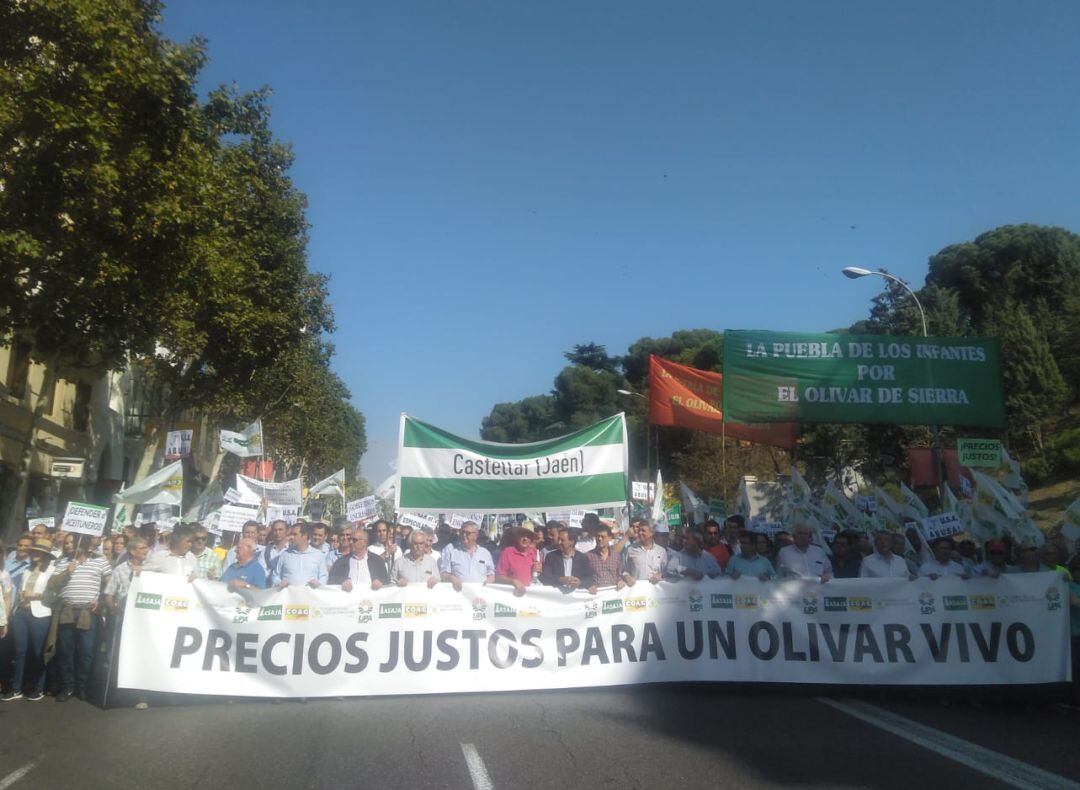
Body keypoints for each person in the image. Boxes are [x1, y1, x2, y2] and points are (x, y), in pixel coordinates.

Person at [52, 534, 112, 702]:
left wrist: (101, 602)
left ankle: (82, 686)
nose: (70, 545)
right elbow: (53, 583)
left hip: (88, 612)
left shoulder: (100, 561)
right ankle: (67, 686)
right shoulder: (63, 561)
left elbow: (110, 583)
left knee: (86, 652)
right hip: (68, 611)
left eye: (73, 542)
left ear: (85, 543)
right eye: (68, 542)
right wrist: (67, 571)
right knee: (65, 651)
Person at [1, 538, 56, 702]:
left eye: (40, 552)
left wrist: (36, 595)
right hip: (21, 613)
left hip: (40, 614)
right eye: (35, 552)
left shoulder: (52, 571)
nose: (36, 555)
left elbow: (54, 596)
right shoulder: (26, 570)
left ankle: (38, 687)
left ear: (46, 555)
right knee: (19, 651)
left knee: (39, 652)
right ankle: (16, 687)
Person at [439, 521, 494, 590]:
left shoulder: (485, 553)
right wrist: (451, 578)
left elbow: (491, 573)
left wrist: (489, 581)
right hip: (458, 594)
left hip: (480, 595)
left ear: (476, 535)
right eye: (462, 532)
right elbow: (443, 574)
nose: (464, 535)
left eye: (467, 533)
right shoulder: (451, 549)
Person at [271, 523, 328, 589]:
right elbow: (275, 575)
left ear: (305, 536)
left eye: (294, 534)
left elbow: (323, 576)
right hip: (289, 596)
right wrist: (279, 583)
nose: (291, 537)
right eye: (291, 534)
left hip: (310, 597)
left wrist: (319, 584)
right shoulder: (285, 555)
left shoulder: (318, 555)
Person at [541, 527, 594, 593]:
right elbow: (545, 577)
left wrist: (580, 582)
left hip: (575, 597)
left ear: (571, 542)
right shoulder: (551, 556)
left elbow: (589, 578)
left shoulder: (582, 558)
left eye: (562, 540)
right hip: (557, 595)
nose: (559, 542)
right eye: (558, 539)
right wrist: (560, 579)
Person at [495, 526, 539, 596]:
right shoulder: (508, 552)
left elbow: (542, 577)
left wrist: (539, 572)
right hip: (512, 596)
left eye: (528, 536)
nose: (525, 539)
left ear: (531, 539)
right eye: (522, 535)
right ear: (517, 537)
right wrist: (513, 582)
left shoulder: (535, 553)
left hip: (531, 597)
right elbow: (499, 577)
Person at [622, 521, 668, 585]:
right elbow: (625, 571)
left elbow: (667, 572)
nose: (640, 533)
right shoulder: (630, 549)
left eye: (643, 530)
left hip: (656, 591)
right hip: (637, 591)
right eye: (639, 530)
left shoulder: (661, 551)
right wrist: (627, 577)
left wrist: (661, 576)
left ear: (651, 533)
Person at [587, 524, 626, 594]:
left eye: (603, 537)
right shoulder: (588, 556)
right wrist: (589, 585)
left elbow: (620, 574)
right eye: (598, 536)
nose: (599, 539)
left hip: (614, 594)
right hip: (596, 596)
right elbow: (584, 576)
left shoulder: (616, 556)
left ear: (610, 538)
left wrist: (620, 581)